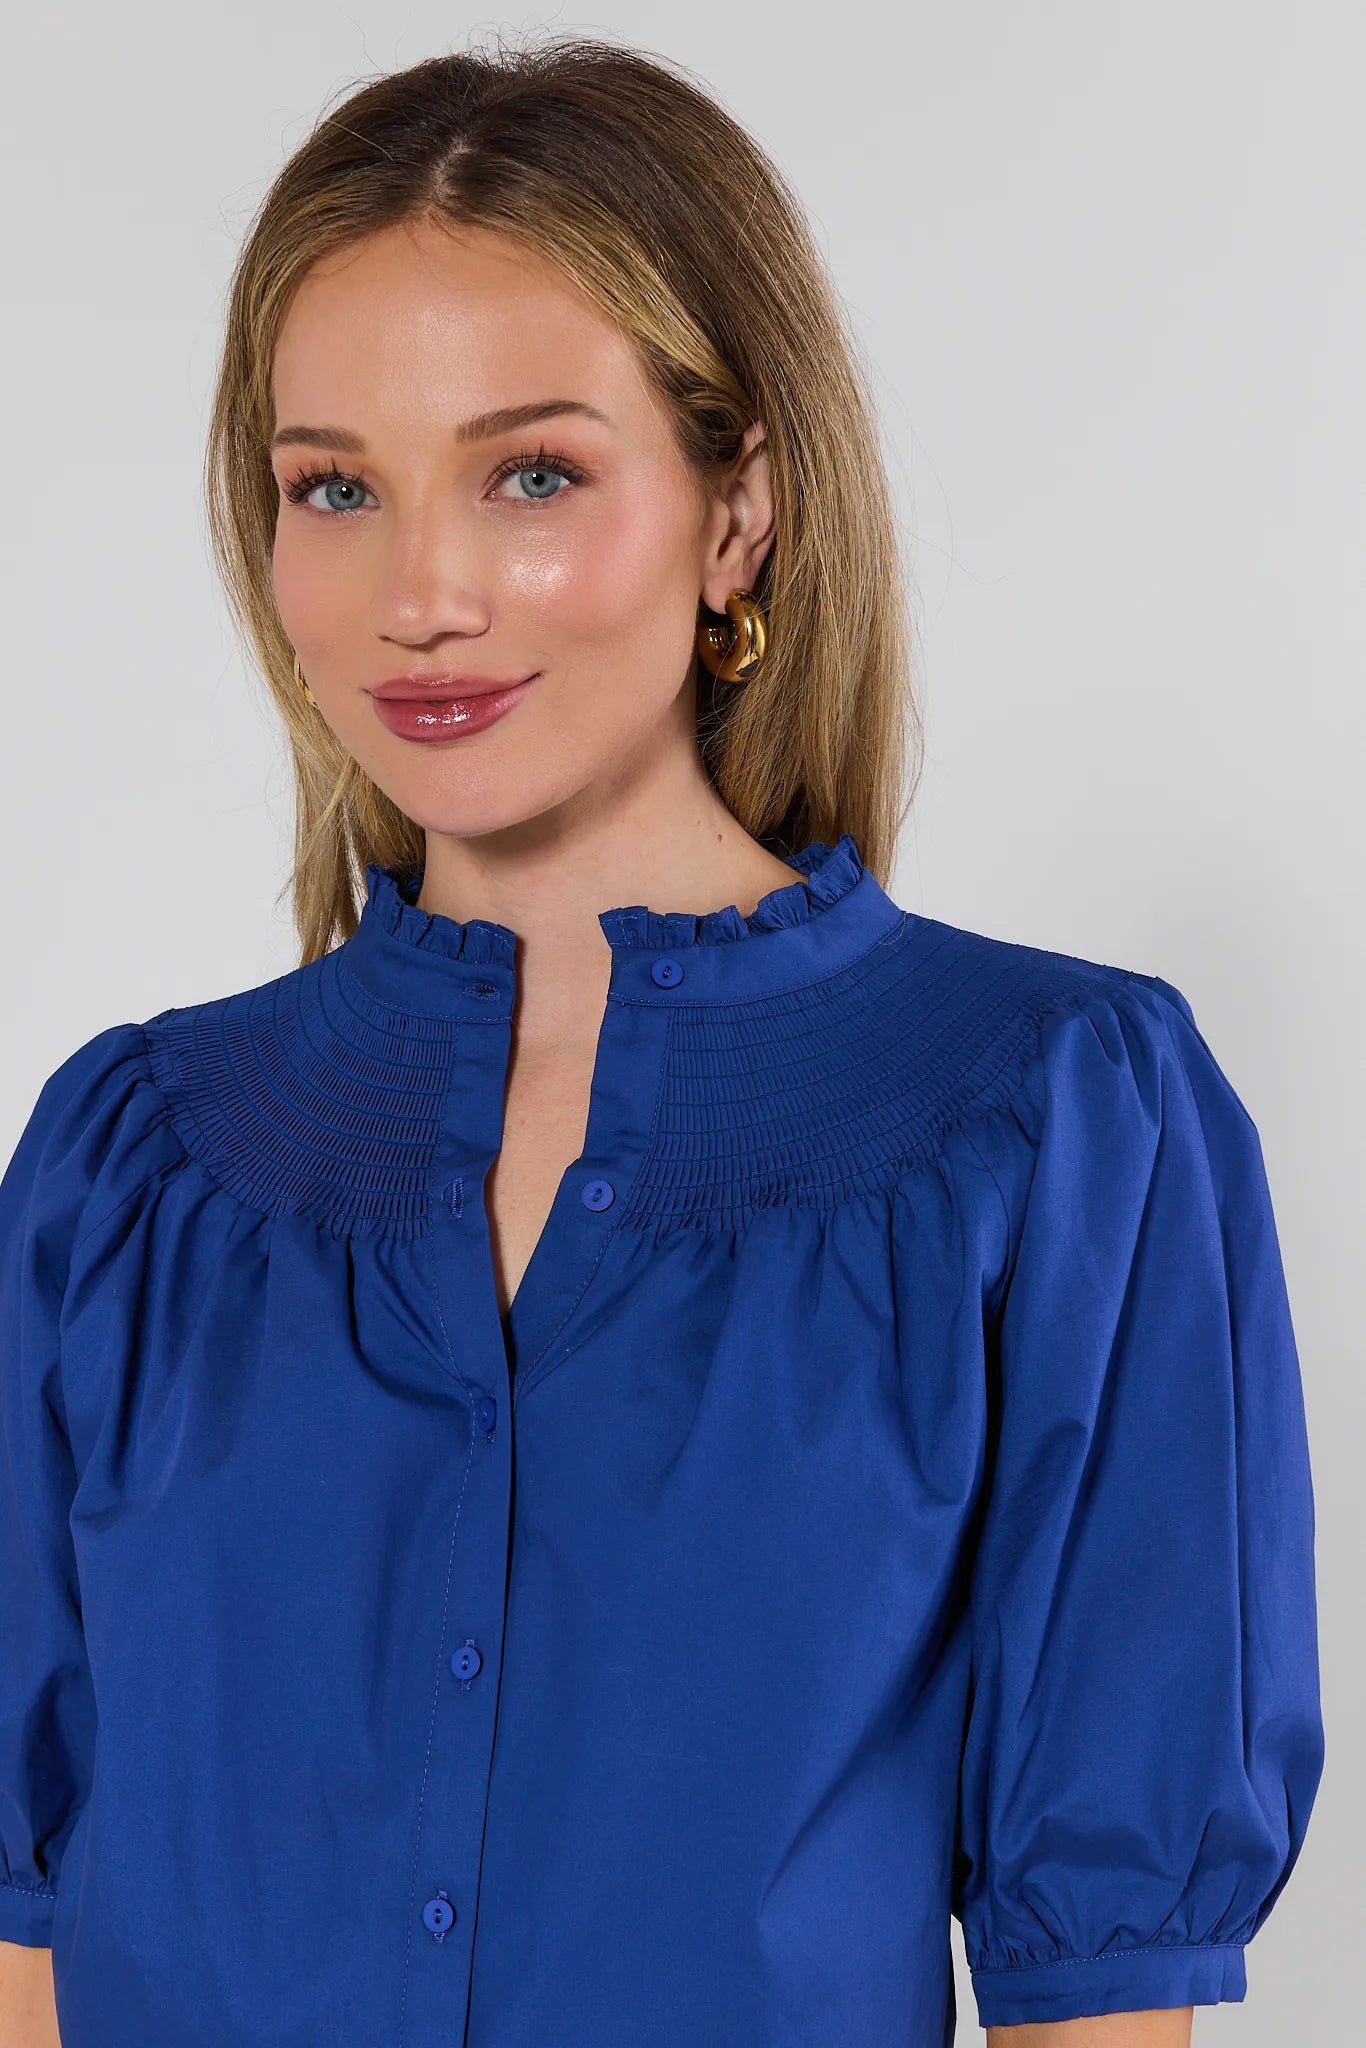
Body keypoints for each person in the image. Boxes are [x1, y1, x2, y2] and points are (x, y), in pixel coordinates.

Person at [0, 35, 1322, 2048]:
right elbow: (27, 1939)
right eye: (331, 486)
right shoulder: (123, 1172)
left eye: (529, 472)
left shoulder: (1058, 1125)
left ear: (736, 514)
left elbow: (1099, 1990)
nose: (417, 591)